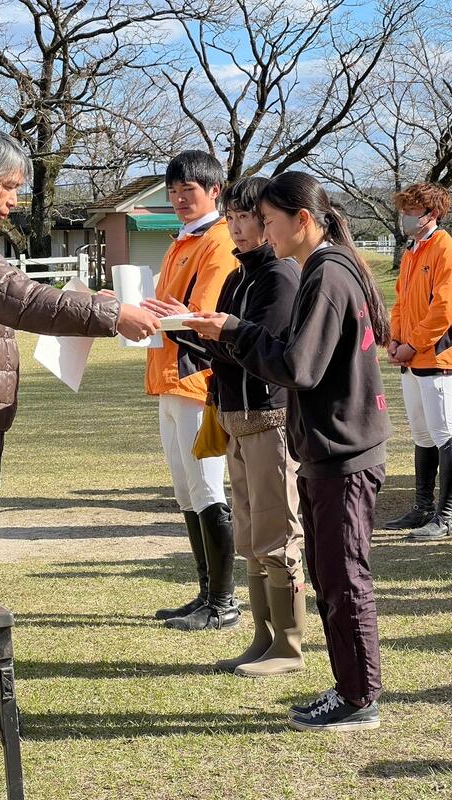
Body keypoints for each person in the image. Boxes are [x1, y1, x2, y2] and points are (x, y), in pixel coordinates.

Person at [0, 126, 160, 739]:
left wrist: (92, 303)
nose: (15, 201)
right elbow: (14, 298)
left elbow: (12, 298)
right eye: (9, 187)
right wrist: (109, 314)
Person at [186, 171, 391, 732]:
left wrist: (236, 331)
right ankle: (350, 688)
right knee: (330, 573)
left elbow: (298, 367)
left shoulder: (325, 273)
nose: (262, 231)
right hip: (331, 447)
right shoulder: (327, 268)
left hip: (344, 451)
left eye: (268, 220)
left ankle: (359, 697)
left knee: (343, 577)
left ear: (302, 219)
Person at [149, 176, 305, 674]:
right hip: (236, 417)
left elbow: (267, 353)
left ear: (269, 221)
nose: (237, 227)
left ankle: (288, 646)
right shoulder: (241, 276)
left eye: (247, 218)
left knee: (277, 537)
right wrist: (190, 326)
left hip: (269, 418)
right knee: (252, 539)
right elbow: (225, 348)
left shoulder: (280, 276)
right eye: (232, 218)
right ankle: (263, 638)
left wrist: (217, 331)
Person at [141, 150, 239, 631]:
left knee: (206, 487)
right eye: (173, 191)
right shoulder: (182, 239)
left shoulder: (218, 241)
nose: (179, 199)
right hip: (169, 376)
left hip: (197, 376)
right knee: (185, 489)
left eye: (189, 190)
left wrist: (156, 313)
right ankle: (206, 592)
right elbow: (170, 308)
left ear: (214, 190)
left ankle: (224, 602)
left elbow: (200, 315)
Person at [384, 183, 452, 540]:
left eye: (412, 210)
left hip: (436, 358)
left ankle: (447, 514)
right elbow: (399, 302)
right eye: (405, 209)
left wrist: (413, 344)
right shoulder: (412, 251)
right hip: (410, 358)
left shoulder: (444, 247)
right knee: (422, 434)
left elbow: (444, 308)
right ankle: (423, 506)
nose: (406, 216)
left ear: (432, 214)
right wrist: (395, 340)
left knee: (444, 434)